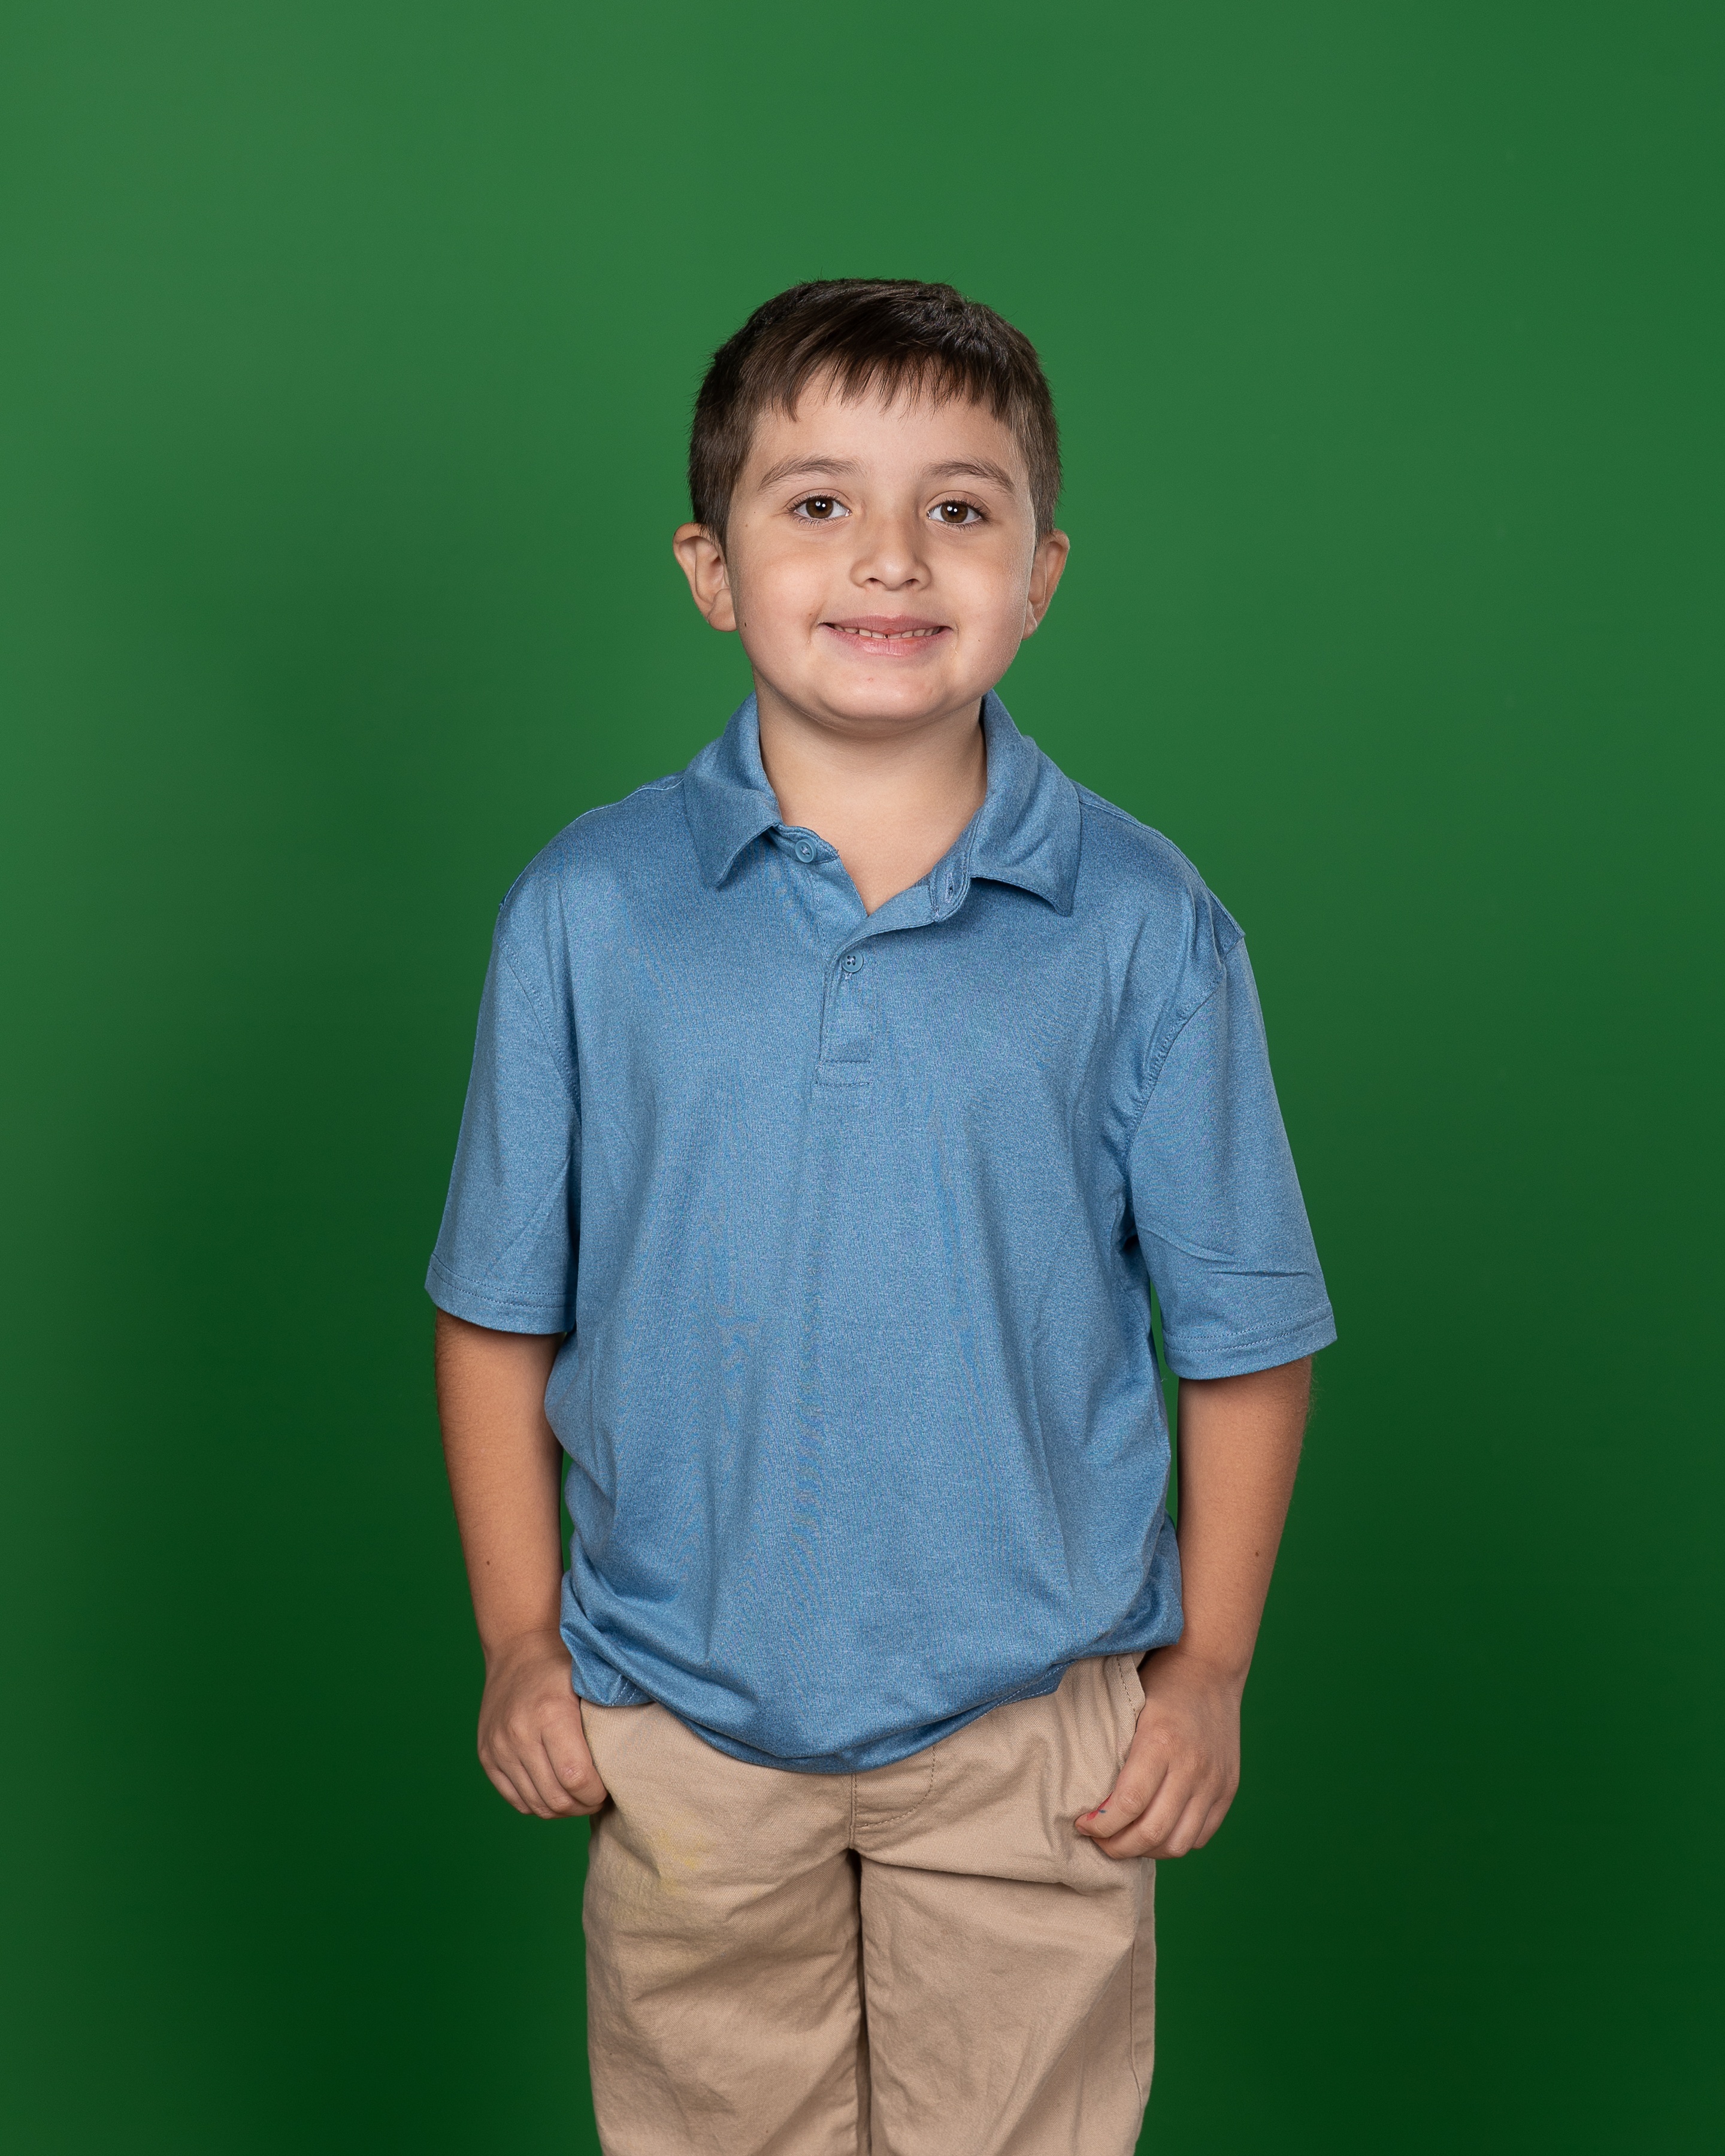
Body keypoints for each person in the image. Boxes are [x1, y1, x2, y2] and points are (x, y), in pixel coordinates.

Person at [428, 278, 1335, 2155]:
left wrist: (1211, 1671)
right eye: (820, 501)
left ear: (1041, 573)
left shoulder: (1145, 927)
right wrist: (521, 1637)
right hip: (678, 1717)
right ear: (712, 568)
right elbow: (499, 1310)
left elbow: (1247, 1332)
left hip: (1037, 1731)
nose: (892, 558)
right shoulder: (588, 913)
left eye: (960, 508)